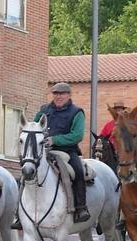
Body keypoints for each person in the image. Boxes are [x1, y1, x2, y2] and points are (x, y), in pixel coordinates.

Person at [12, 82, 90, 230]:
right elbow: (33, 127)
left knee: (77, 171)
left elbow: (77, 135)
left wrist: (55, 139)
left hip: (67, 150)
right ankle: (19, 214)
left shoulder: (77, 112)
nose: (58, 96)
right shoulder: (44, 111)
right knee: (25, 174)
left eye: (62, 94)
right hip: (43, 151)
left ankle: (81, 208)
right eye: (55, 93)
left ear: (69, 95)